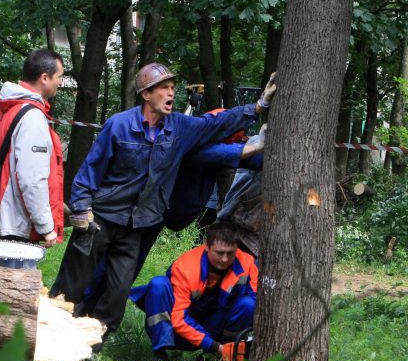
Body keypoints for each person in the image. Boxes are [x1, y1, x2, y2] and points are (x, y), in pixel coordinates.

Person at [51, 64, 275, 336]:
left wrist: (259, 106)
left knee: (118, 288)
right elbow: (91, 169)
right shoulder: (119, 125)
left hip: (139, 224)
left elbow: (216, 124)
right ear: (146, 94)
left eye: (172, 88)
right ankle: (51, 328)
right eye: (164, 88)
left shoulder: (179, 128)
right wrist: (81, 208)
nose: (171, 93)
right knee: (75, 279)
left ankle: (92, 343)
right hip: (102, 217)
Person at [129, 222, 258, 361]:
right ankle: (160, 355)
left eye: (230, 253)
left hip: (216, 323)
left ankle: (222, 355)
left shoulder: (248, 263)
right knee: (158, 285)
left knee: (249, 304)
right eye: (219, 253)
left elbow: (256, 302)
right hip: (177, 332)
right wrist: (213, 345)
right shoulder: (186, 267)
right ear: (207, 246)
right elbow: (179, 319)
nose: (224, 259)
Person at [0, 48, 65, 269]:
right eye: (59, 77)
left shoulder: (1, 107)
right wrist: (45, 225)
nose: (60, 82)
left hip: (2, 214)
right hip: (19, 222)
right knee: (17, 295)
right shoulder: (32, 117)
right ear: (44, 78)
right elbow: (31, 179)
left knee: (3, 291)